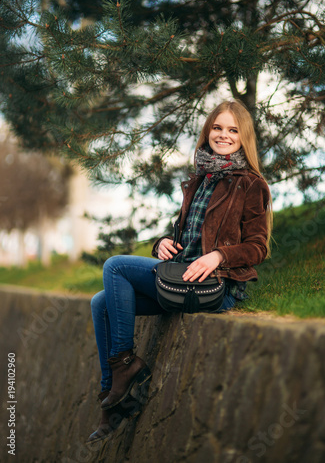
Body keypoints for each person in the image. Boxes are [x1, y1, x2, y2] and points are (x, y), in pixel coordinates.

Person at [87, 99, 273, 443]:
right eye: (217, 127)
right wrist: (162, 243)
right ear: (207, 131)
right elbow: (184, 234)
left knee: (115, 266)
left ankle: (128, 368)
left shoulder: (250, 183)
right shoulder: (202, 178)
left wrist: (219, 256)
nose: (223, 135)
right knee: (100, 303)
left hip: (213, 288)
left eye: (233, 130)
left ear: (243, 137)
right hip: (181, 279)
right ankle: (112, 398)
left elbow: (258, 247)